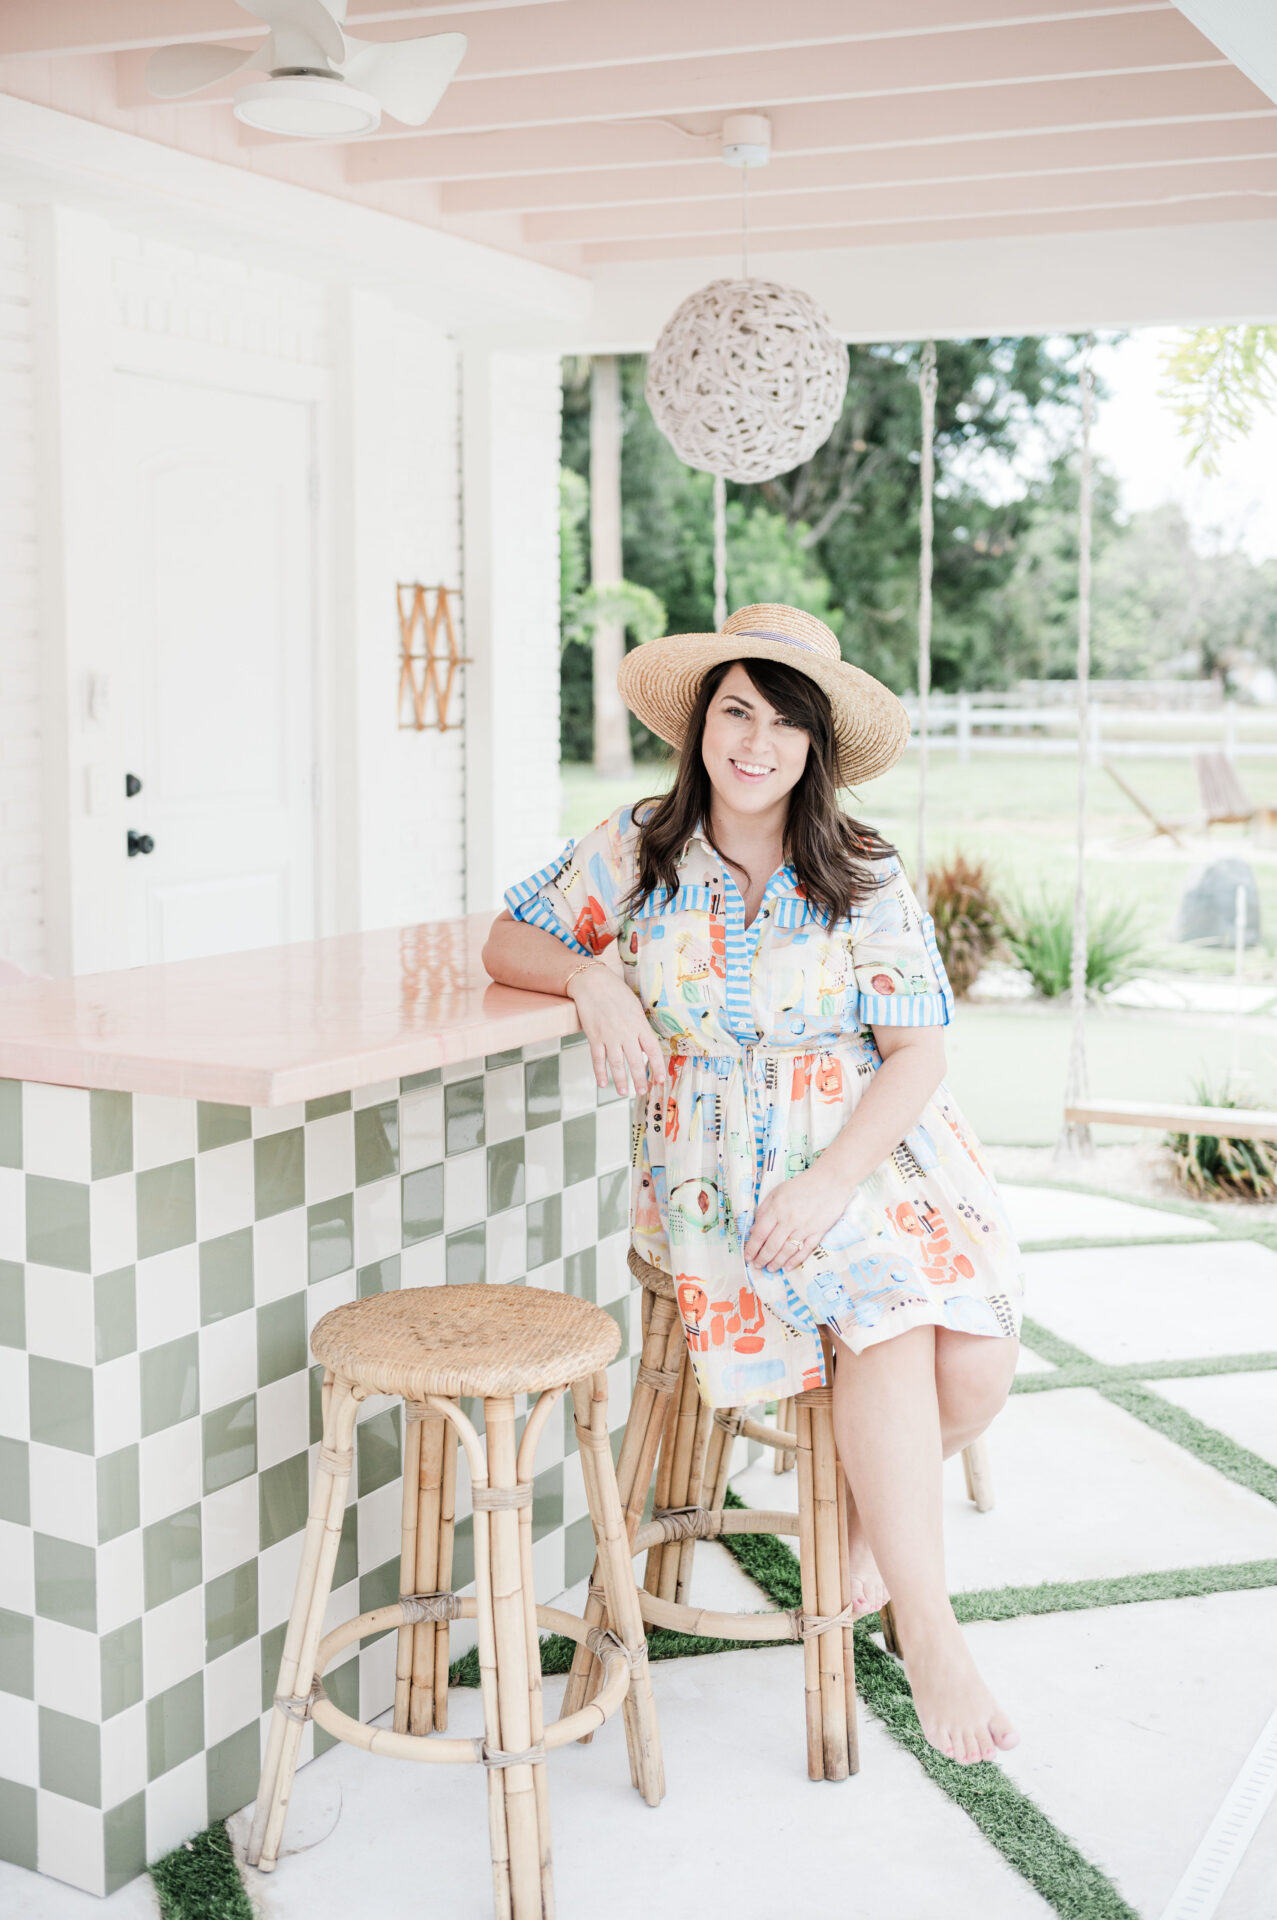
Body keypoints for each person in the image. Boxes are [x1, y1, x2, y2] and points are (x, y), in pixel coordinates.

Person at [483, 602, 1025, 1767]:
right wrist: (591, 982)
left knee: (977, 1366)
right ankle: (928, 1632)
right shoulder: (633, 848)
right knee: (884, 1318)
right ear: (701, 721)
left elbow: (918, 1052)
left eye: (785, 725)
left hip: (869, 1146)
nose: (755, 743)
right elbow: (505, 940)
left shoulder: (858, 868)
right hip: (716, 1168)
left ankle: (877, 1548)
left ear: (813, 748)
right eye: (736, 711)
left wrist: (833, 1181)